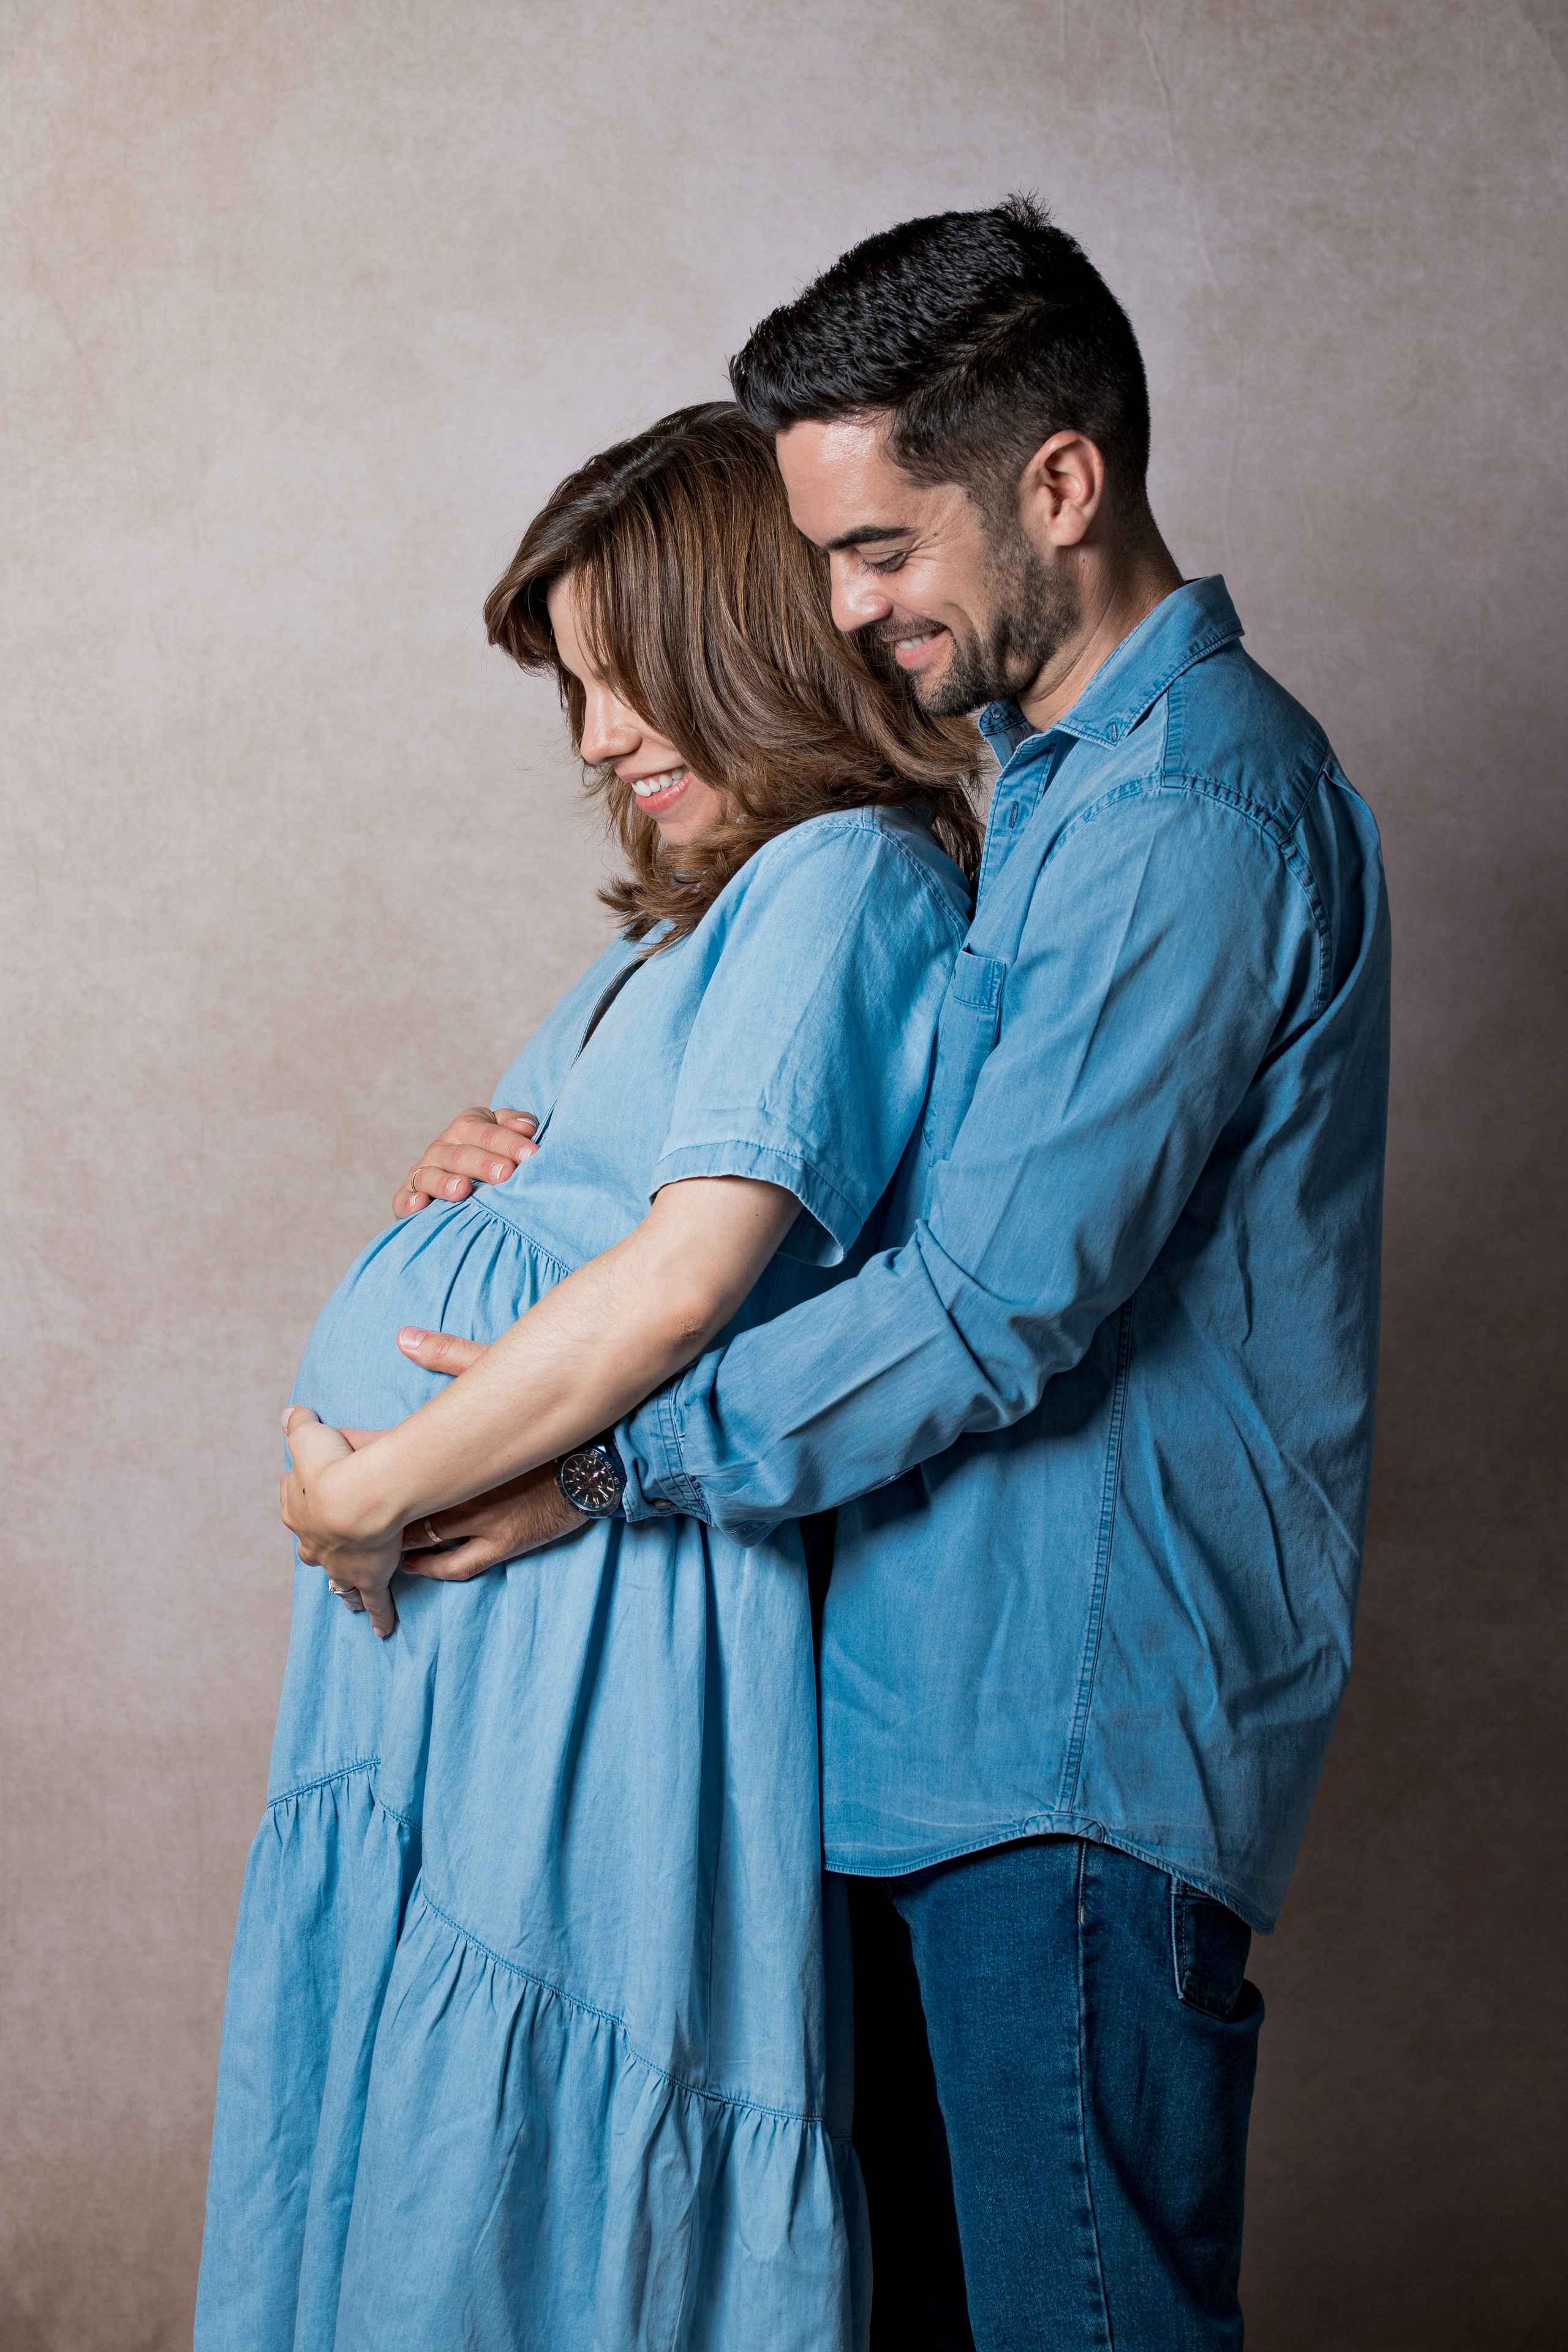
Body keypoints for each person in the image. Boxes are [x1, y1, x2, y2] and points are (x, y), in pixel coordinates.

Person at [366, 200, 1392, 2350]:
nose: (848, 608)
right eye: (827, 558)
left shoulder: (1194, 819)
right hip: (917, 1733)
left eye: (880, 552)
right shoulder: (1040, 804)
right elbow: (855, 1217)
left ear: (1060, 483)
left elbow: (990, 1305)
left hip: (1077, 1754)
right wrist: (538, 1176)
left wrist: (605, 1468)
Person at [196, 402, 984, 2352]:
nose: (602, 742)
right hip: (478, 1644)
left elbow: (679, 1285)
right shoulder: (672, 943)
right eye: (578, 695)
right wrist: (472, 1180)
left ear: (754, 643)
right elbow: (559, 1214)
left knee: (544, 2156)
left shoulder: (851, 882)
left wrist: (363, 1495)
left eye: (632, 684)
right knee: (417, 2157)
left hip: (605, 1618)